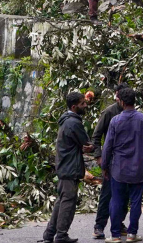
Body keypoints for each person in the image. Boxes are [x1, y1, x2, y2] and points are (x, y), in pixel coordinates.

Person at [102, 87, 143, 243]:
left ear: (122, 102)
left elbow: (108, 146)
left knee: (117, 200)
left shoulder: (115, 121)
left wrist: (105, 166)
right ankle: (132, 233)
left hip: (118, 168)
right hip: (138, 167)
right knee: (136, 201)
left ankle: (115, 235)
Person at [43, 92, 93, 243]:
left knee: (62, 200)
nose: (85, 105)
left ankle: (49, 234)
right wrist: (92, 147)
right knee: (68, 202)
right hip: (70, 168)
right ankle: (61, 235)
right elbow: (86, 144)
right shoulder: (73, 123)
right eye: (82, 103)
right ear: (74, 106)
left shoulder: (66, 120)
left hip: (65, 166)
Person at [91, 90, 122, 241]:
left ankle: (119, 223)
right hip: (110, 159)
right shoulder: (109, 112)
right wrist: (98, 156)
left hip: (125, 161)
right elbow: (96, 135)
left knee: (124, 194)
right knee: (107, 193)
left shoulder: (132, 113)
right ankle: (99, 226)